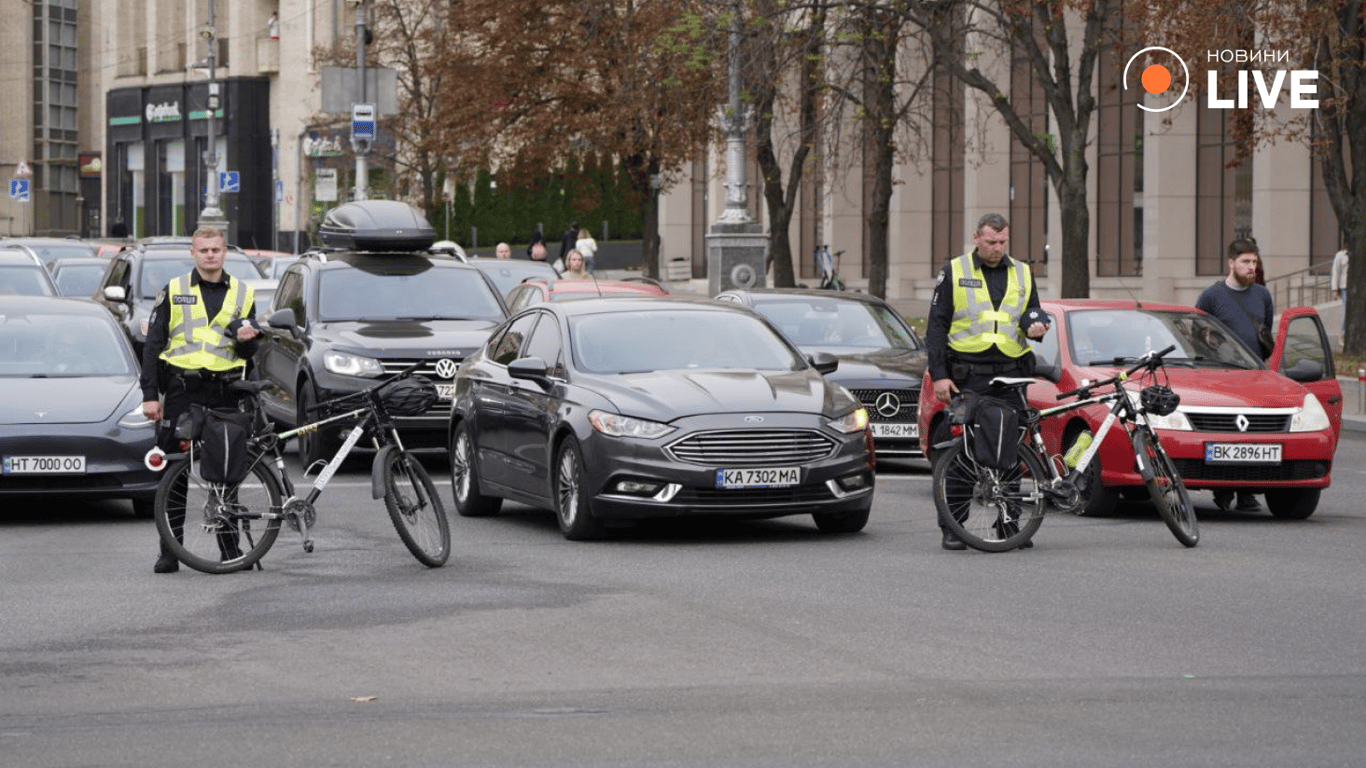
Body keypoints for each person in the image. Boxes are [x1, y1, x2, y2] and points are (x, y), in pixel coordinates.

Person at [925, 213, 1050, 551]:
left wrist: (1036, 325)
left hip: (1011, 373)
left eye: (1003, 242)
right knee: (966, 453)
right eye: (991, 242)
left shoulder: (1022, 272)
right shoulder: (955, 270)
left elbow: (1032, 313)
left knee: (1009, 449)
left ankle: (1010, 523)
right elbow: (936, 326)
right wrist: (939, 375)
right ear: (976, 237)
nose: (997, 248)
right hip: (969, 375)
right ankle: (954, 526)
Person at [141, 227, 260, 574]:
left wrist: (247, 340)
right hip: (182, 391)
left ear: (225, 253)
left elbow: (247, 351)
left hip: (224, 391)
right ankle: (170, 550)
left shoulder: (243, 292)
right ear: (193, 254)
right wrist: (150, 395)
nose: (210, 255)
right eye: (204, 250)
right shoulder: (175, 290)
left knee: (226, 471)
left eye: (216, 250)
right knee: (174, 472)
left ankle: (230, 549)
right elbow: (153, 347)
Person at [1195, 237, 1274, 514]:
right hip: (1219, 377)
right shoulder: (1211, 296)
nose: (1252, 267)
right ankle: (1223, 487)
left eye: (1254, 262)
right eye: (1245, 262)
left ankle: (1247, 492)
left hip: (1254, 376)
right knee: (1226, 433)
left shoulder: (1263, 295)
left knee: (1254, 434)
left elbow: (1266, 333)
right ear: (1231, 263)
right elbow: (1196, 334)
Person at [1331, 247, 1349, 339]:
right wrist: (1334, 289)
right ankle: (1343, 333)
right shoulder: (1340, 255)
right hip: (1345, 287)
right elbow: (1335, 272)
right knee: (1347, 310)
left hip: (1359, 287)